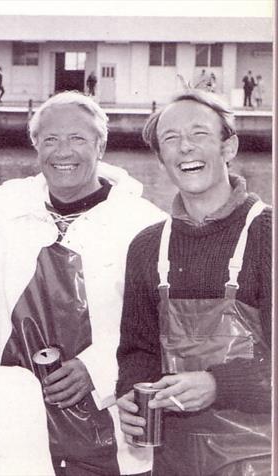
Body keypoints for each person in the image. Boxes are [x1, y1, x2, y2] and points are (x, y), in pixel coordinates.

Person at [0, 91, 166, 475]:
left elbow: (160, 324)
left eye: (78, 138)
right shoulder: (6, 205)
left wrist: (96, 370)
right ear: (35, 146)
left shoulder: (145, 223)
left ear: (101, 145)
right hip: (14, 424)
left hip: (105, 427)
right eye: (50, 139)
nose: (63, 151)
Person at [116, 90, 272, 475]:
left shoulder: (268, 236)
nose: (185, 147)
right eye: (170, 139)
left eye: (199, 133)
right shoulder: (146, 246)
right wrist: (131, 395)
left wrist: (219, 384)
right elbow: (138, 350)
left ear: (228, 146)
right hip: (173, 460)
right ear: (162, 159)